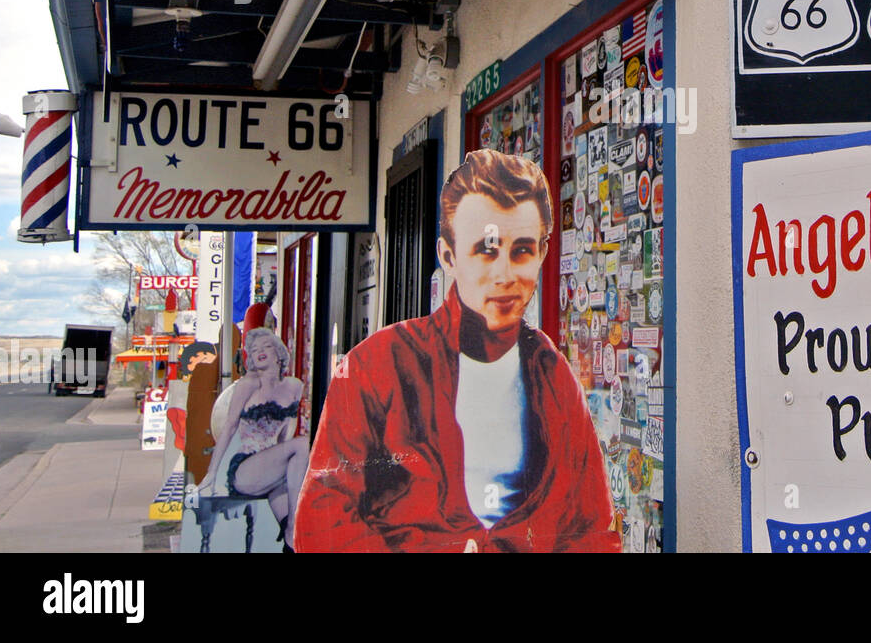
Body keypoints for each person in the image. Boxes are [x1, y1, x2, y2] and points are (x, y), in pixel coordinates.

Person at [294, 149, 619, 552]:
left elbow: (593, 530)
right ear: (448, 256)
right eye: (486, 249)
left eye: (521, 250)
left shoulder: (552, 372)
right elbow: (320, 523)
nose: (504, 274)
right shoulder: (375, 365)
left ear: (542, 255)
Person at [199, 328, 307, 552]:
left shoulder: (295, 386)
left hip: (274, 469)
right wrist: (212, 473)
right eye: (254, 349)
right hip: (246, 469)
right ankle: (292, 528)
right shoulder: (247, 385)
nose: (259, 352)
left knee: (294, 529)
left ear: (279, 353)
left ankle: (291, 536)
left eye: (266, 346)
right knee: (303, 443)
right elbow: (228, 427)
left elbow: (286, 432)